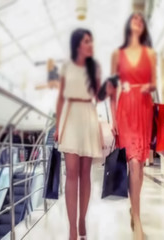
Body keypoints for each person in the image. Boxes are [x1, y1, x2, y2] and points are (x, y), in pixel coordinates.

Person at [107, 12, 156, 240]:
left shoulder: (150, 54)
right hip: (125, 109)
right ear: (128, 25)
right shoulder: (117, 54)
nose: (137, 21)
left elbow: (155, 83)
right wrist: (113, 119)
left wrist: (149, 86)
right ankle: (137, 220)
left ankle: (134, 210)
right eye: (133, 18)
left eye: (140, 19)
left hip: (143, 108)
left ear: (143, 26)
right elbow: (111, 88)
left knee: (139, 165)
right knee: (134, 162)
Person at [54, 28, 103, 240]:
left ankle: (82, 218)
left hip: (89, 116)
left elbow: (98, 97)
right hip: (71, 116)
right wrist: (57, 126)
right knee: (71, 173)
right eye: (86, 41)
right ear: (77, 45)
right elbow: (60, 98)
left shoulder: (96, 67)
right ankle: (72, 228)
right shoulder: (66, 66)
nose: (91, 44)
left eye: (91, 41)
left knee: (85, 174)